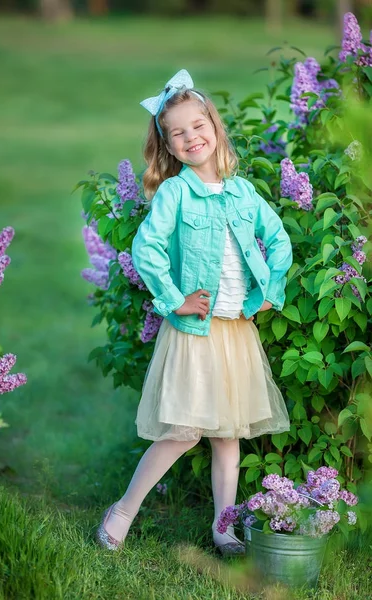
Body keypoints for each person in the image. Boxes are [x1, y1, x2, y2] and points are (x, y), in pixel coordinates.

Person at [97, 69, 292, 556]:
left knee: (229, 437)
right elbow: (147, 249)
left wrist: (269, 289)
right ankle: (122, 510)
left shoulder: (243, 192)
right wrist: (172, 299)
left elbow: (279, 240)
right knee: (184, 433)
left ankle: (223, 527)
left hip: (235, 329)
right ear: (167, 143)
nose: (191, 137)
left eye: (197, 125)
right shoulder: (175, 193)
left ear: (214, 125)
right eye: (177, 132)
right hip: (194, 330)